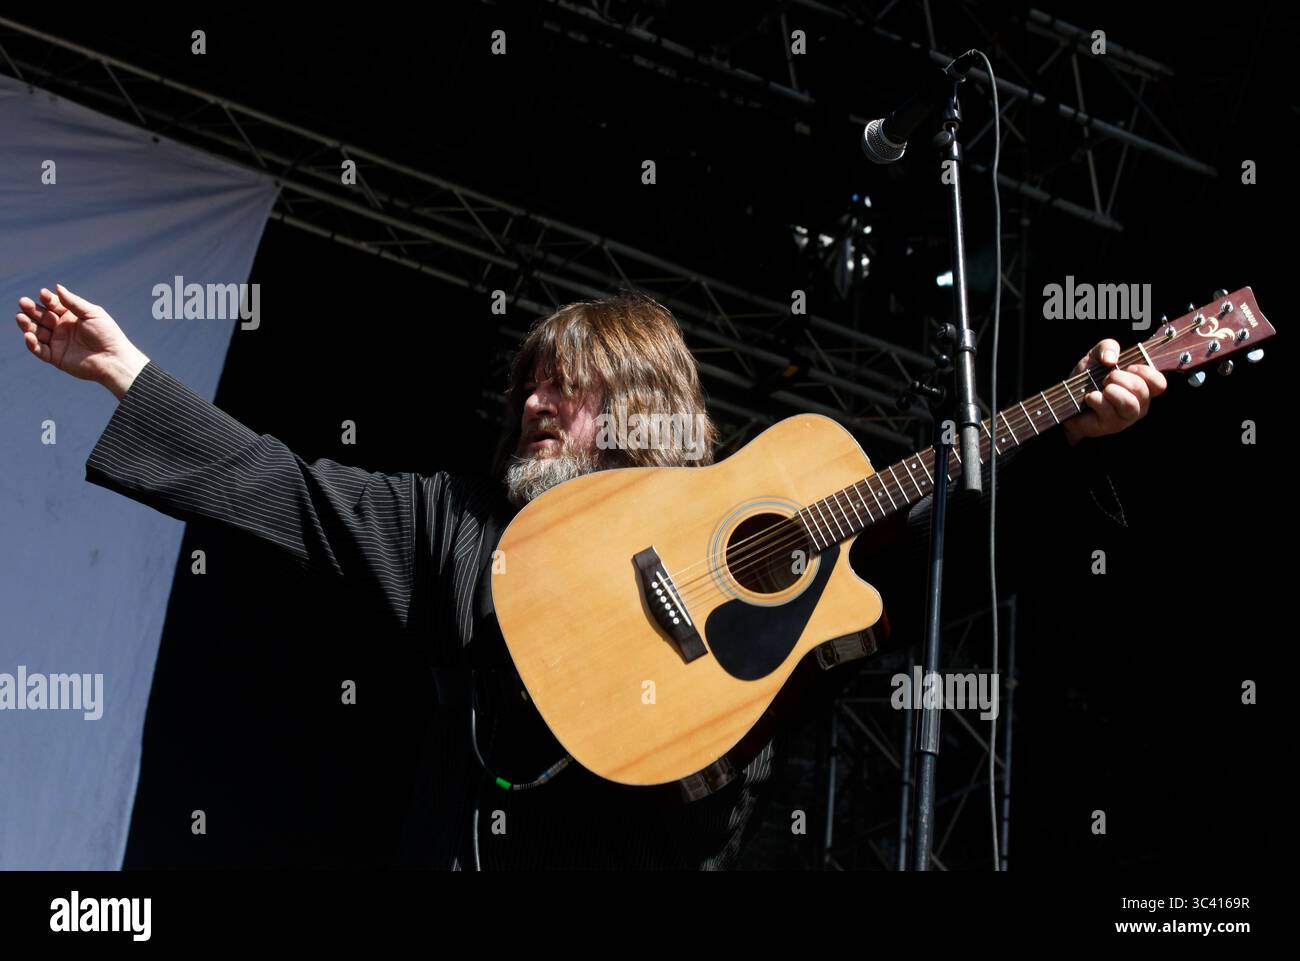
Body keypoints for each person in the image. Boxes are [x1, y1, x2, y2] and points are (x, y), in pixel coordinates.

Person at [15, 283, 1166, 869]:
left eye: (563, 384)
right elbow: (284, 487)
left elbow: (939, 571)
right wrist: (126, 370)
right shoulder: (466, 530)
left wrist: (1068, 446)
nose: (531, 401)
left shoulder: (772, 521)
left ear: (644, 398)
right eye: (528, 385)